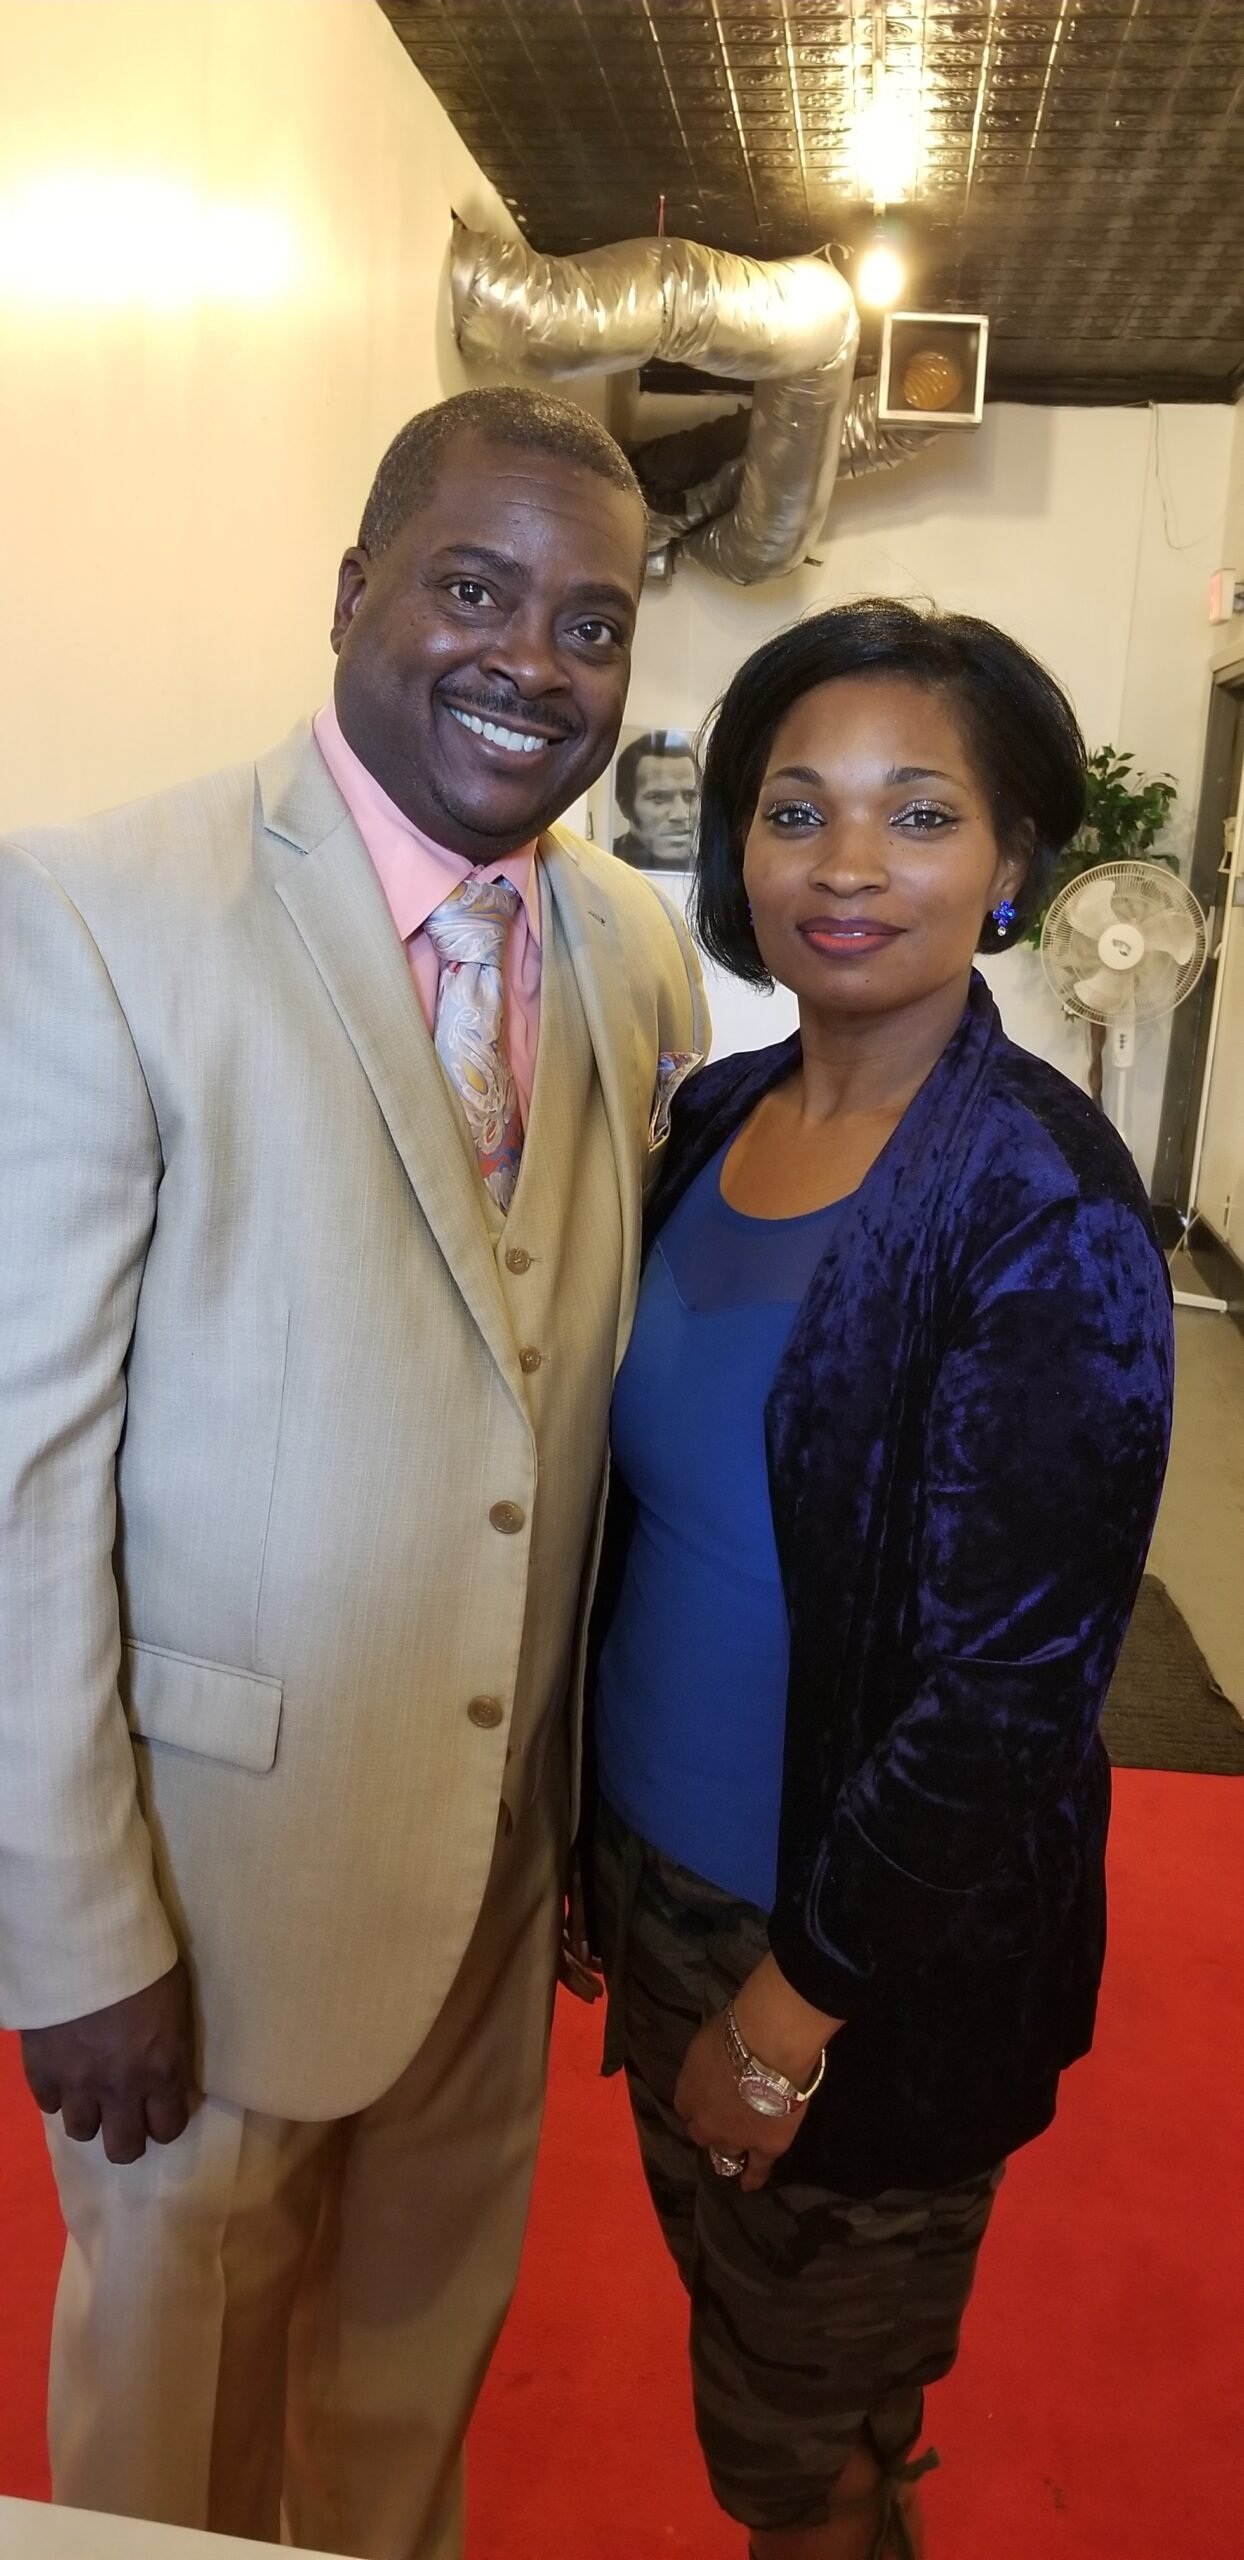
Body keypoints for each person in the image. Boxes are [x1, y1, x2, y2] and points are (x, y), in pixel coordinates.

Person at [0, 385, 706, 2560]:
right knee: (174, 2456)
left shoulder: (632, 955)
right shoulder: (101, 911)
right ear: (352, 590)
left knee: (402, 2429)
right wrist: (73, 1927)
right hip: (210, 1901)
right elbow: (22, 1478)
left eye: (591, 623)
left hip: (496, 1883)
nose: (532, 662)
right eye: (474, 589)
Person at [585, 599, 1173, 2559]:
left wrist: (785, 2011)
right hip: (659, 1881)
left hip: (850, 1955)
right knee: (750, 2334)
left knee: (791, 2447)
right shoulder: (717, 1119)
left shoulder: (1032, 1199)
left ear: (1010, 863)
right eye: (796, 808)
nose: (846, 862)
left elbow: (1006, 1693)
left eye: (917, 814)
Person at [612, 726, 699, 868]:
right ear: (625, 807)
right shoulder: (603, 863)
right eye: (659, 798)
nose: (681, 815)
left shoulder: (709, 868)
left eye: (690, 796)